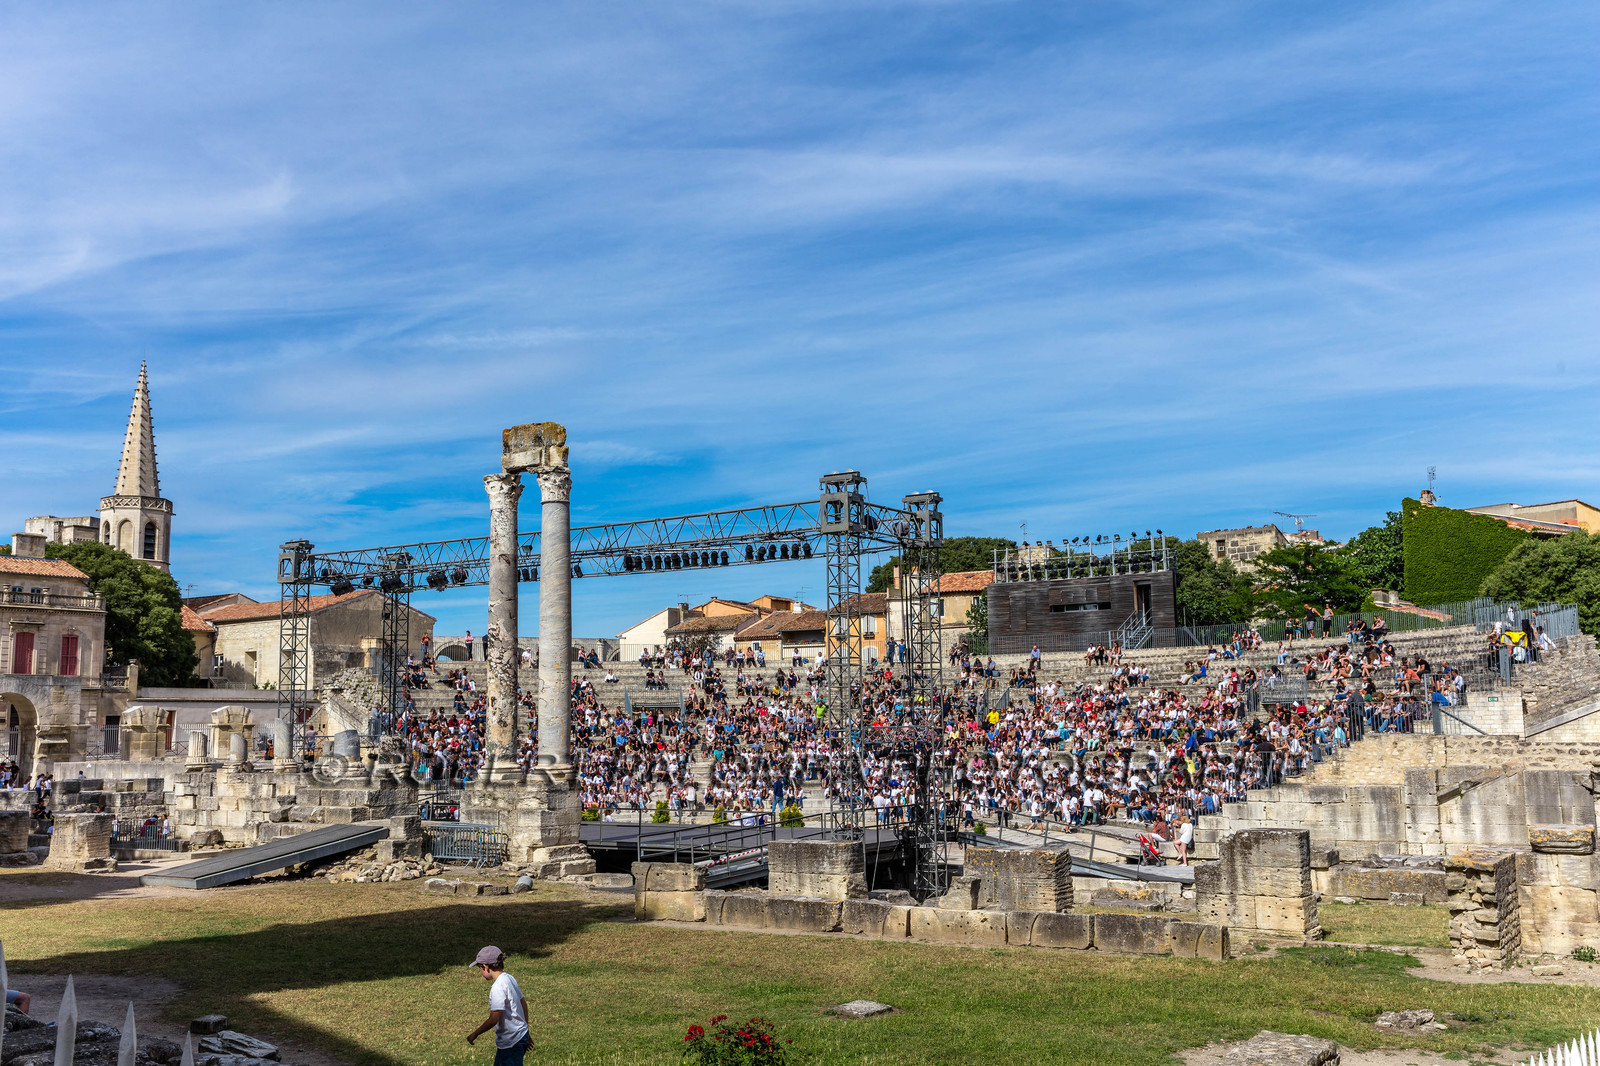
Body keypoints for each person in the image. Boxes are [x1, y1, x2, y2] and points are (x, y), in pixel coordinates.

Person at [466, 946, 529, 1066]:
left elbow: (494, 1019)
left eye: (480, 968)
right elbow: (523, 1004)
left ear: (485, 966)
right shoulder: (509, 978)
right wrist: (525, 1030)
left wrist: (475, 1034)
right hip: (518, 1036)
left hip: (511, 1042)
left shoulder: (498, 987)